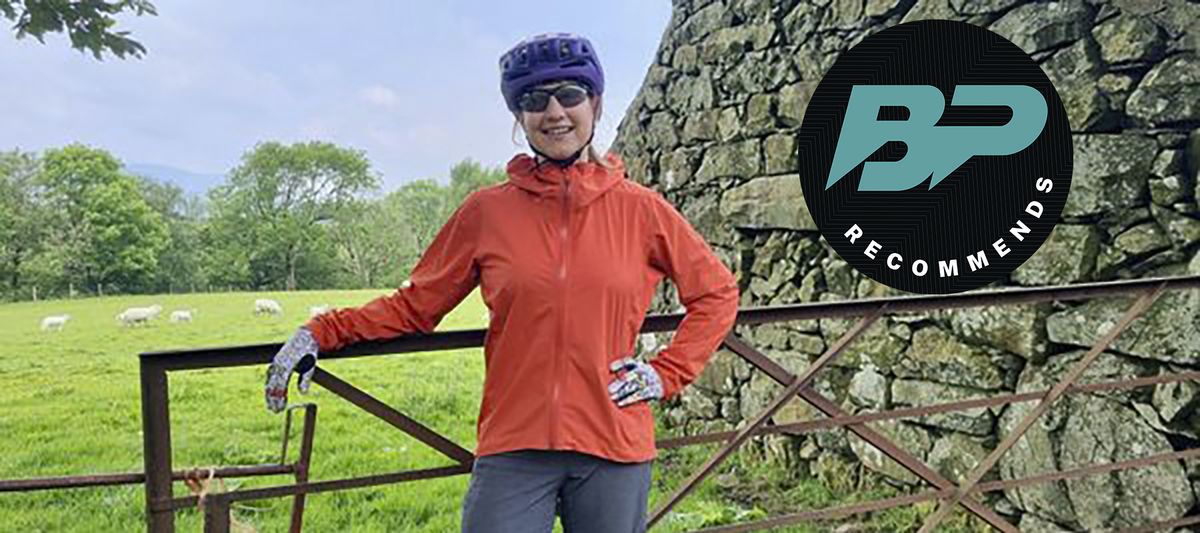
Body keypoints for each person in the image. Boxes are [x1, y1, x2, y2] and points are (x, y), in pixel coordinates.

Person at [263, 32, 739, 533]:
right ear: (519, 117)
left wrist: (666, 373)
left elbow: (717, 293)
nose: (554, 111)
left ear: (594, 104)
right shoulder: (487, 212)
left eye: (570, 94)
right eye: (534, 100)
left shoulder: (642, 210)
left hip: (614, 442)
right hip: (514, 444)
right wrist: (323, 331)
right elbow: (416, 305)